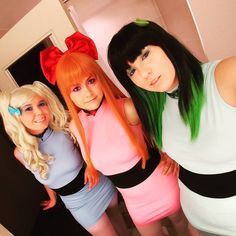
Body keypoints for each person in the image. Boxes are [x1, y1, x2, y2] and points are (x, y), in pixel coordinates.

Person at [40, 31, 194, 236]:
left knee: (184, 227)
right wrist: (89, 167)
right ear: (66, 95)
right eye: (76, 88)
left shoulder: (127, 108)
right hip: (135, 204)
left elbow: (164, 125)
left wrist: (169, 153)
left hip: (164, 186)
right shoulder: (75, 128)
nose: (88, 93)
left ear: (100, 78)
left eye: (91, 81)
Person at [107, 19, 236, 236]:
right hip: (198, 222)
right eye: (132, 71)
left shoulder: (225, 76)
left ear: (164, 43)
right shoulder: (155, 110)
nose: (144, 74)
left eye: (145, 55)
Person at [0, 81, 129, 236]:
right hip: (78, 205)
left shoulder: (65, 129)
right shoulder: (21, 153)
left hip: (99, 184)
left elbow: (94, 149)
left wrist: (90, 166)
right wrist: (52, 197)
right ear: (16, 116)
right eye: (28, 108)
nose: (40, 112)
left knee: (119, 221)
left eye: (42, 104)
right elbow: (42, 174)